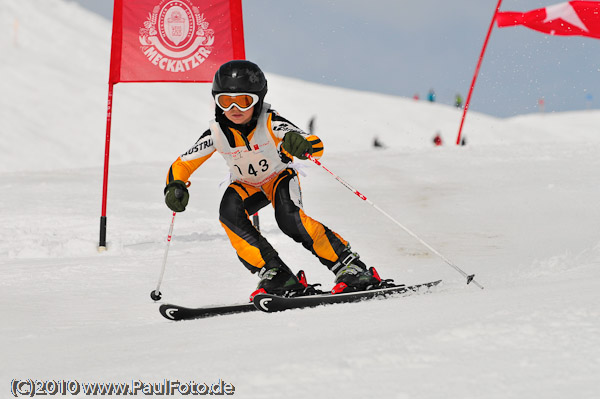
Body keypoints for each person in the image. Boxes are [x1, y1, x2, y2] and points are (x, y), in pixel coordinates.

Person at [163, 60, 387, 299]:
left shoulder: (270, 122)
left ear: (258, 101)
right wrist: (175, 185)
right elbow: (183, 163)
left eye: (244, 101)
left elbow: (311, 141)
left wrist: (301, 144)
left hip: (278, 177)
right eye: (226, 101)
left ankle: (350, 266)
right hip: (246, 184)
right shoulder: (216, 132)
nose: (235, 108)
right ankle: (277, 273)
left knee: (289, 219)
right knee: (229, 214)